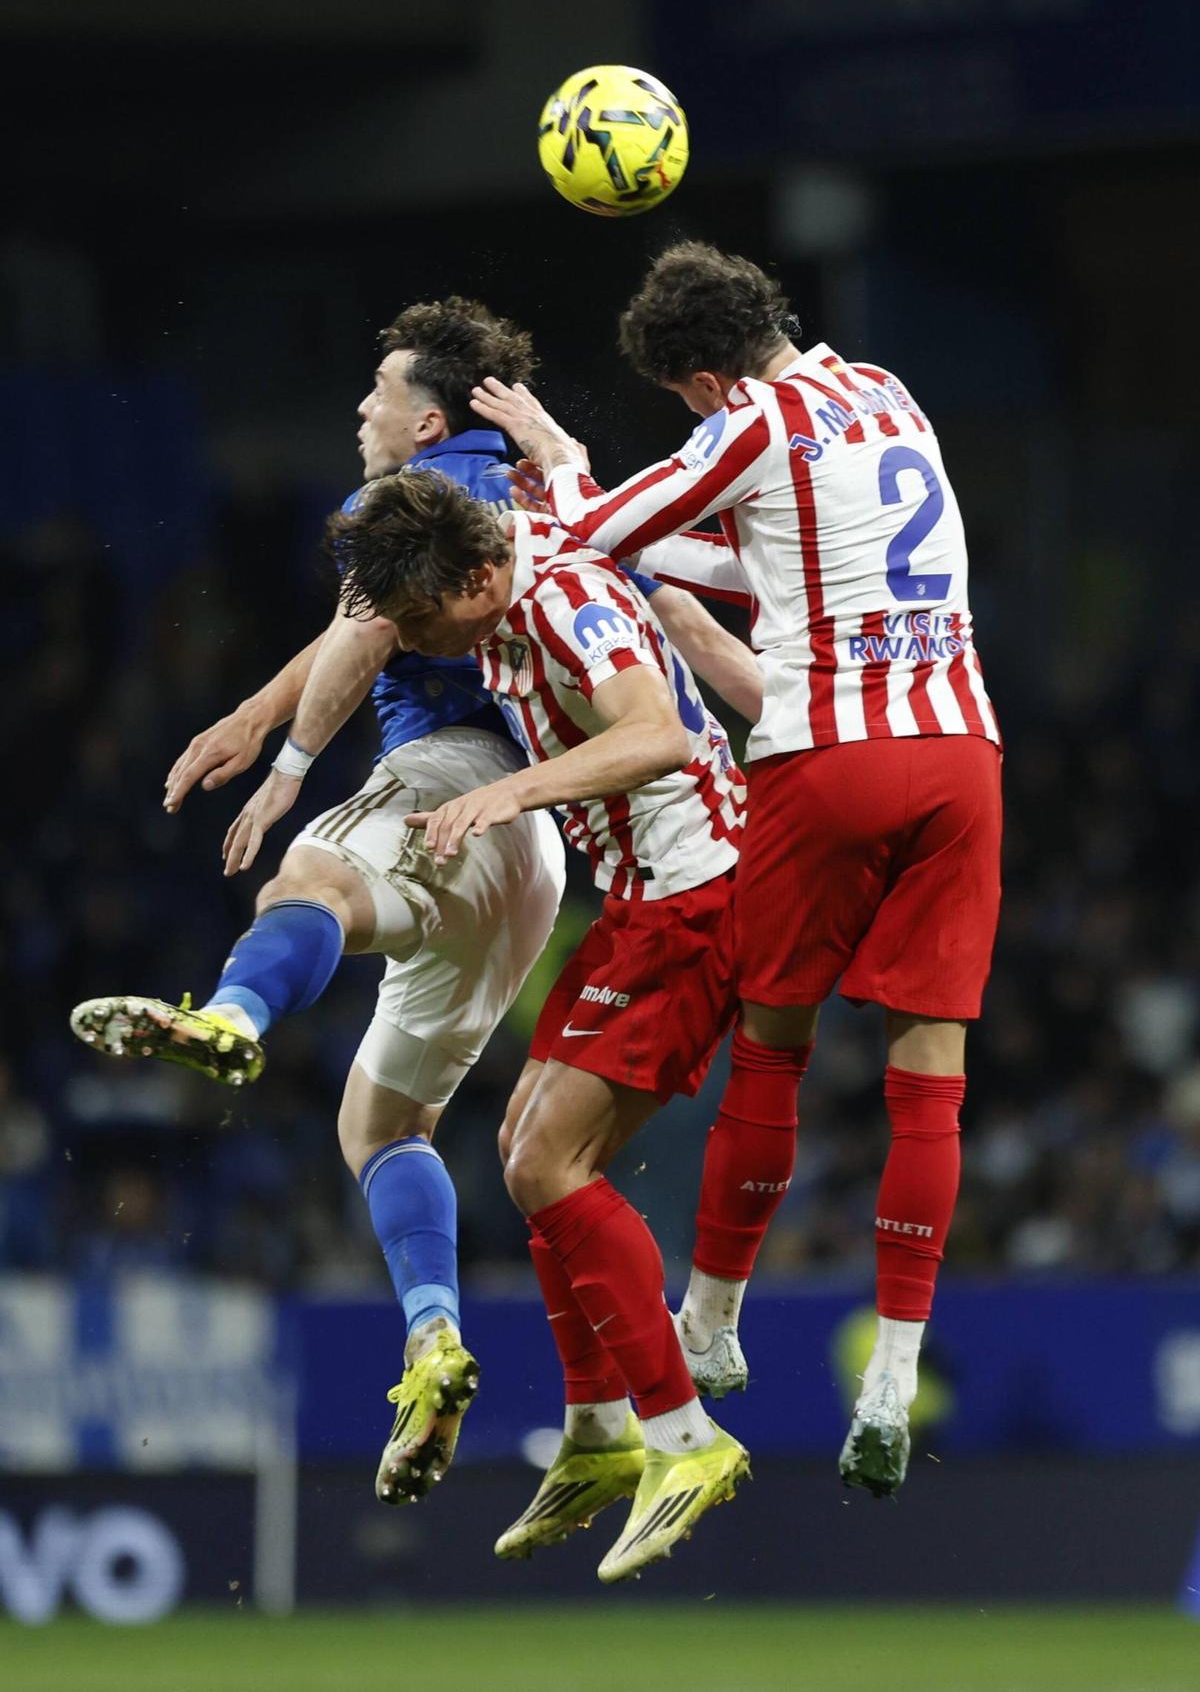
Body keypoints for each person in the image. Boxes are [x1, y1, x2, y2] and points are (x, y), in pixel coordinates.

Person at [471, 241, 1003, 1500]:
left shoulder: (748, 418)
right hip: (964, 747)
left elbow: (598, 533)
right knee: (932, 1082)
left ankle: (710, 1316)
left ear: (703, 377)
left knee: (775, 1045)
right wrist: (687, 579)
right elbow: (759, 547)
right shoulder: (885, 389)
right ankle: (894, 1370)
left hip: (833, 755)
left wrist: (558, 457)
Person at [70, 297, 568, 1507]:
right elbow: (366, 620)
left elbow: (362, 634)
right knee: (381, 1129)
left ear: (430, 415)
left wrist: (287, 767)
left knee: (311, 877)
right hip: (540, 854)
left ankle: (236, 1017)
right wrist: (251, 714)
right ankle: (436, 1334)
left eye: (378, 392)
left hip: (452, 785)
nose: (360, 411)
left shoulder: (403, 504)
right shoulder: (543, 482)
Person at [327, 469, 755, 1585]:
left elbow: (655, 732)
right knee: (525, 1147)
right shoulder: (501, 569)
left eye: (423, 618)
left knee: (547, 1160)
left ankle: (684, 1439)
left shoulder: (563, 599)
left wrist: (512, 795)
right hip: (636, 902)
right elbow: (565, 491)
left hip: (694, 896)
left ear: (476, 578)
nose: (415, 642)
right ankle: (600, 1428)